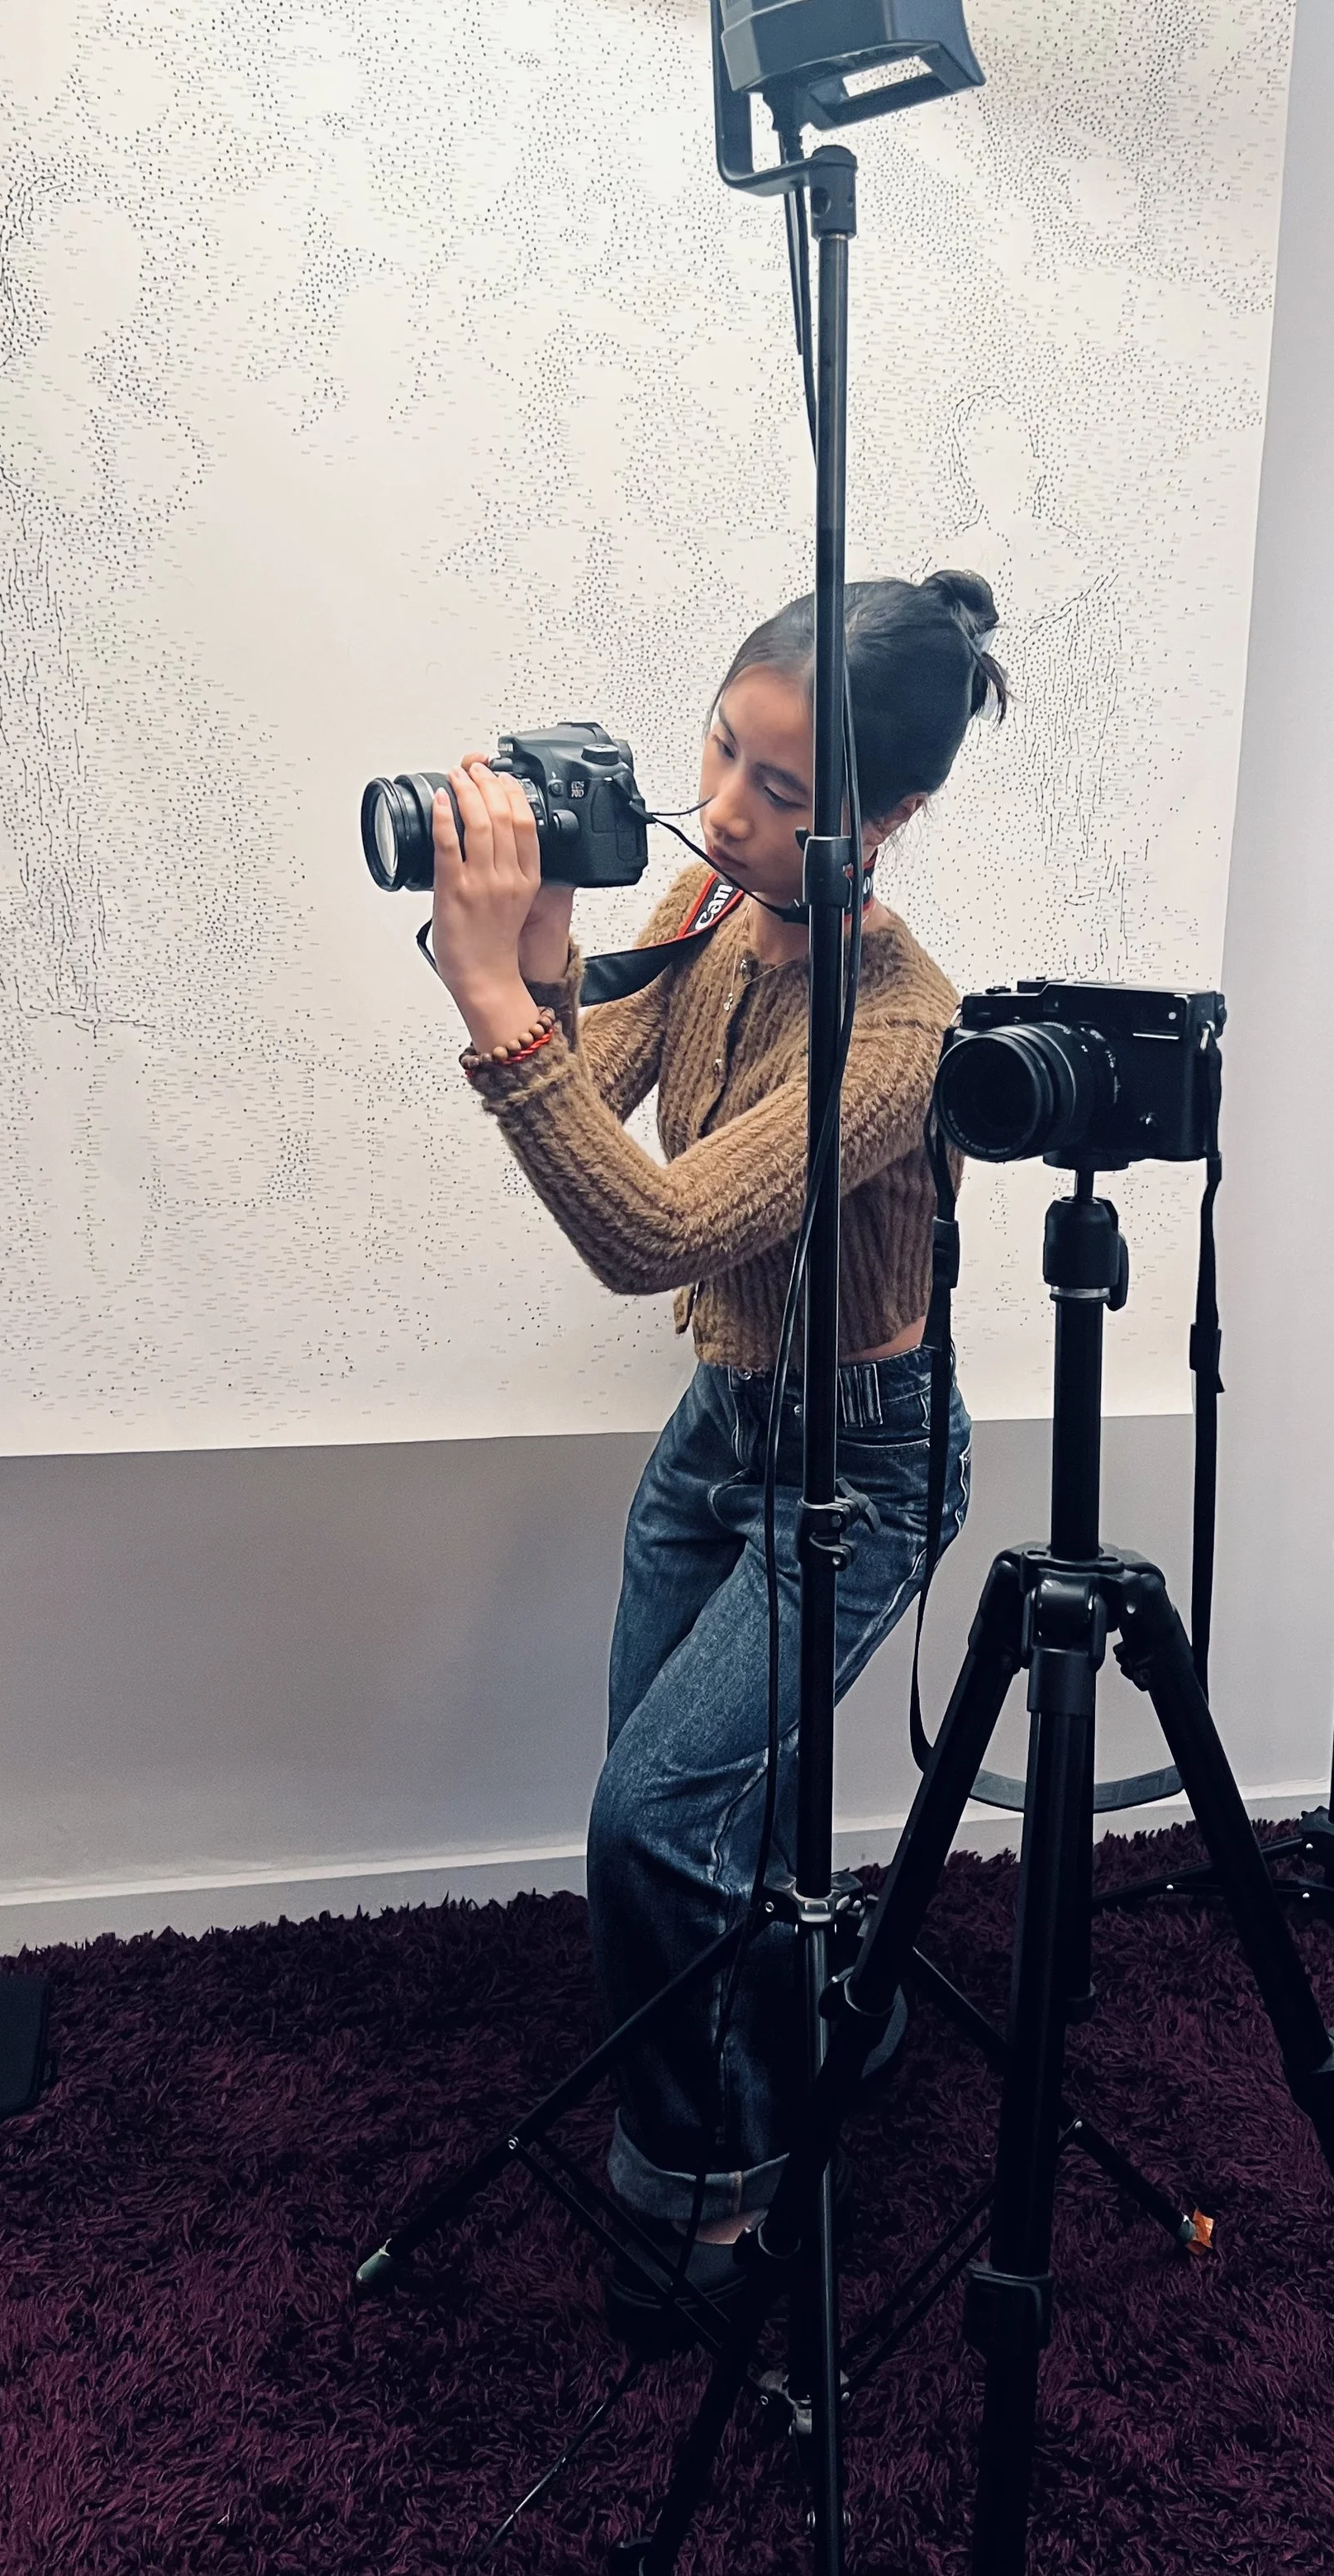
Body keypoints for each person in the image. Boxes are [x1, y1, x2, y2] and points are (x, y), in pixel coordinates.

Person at [426, 569, 1004, 2328]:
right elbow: (590, 1089)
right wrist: (539, 947)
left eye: (781, 790)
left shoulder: (900, 1030)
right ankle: (831, 2018)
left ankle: (713, 2188)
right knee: (684, 1814)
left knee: (649, 1823)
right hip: (720, 1429)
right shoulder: (703, 900)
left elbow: (653, 1230)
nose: (729, 809)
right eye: (723, 751)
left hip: (865, 1462)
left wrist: (488, 1000)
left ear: (889, 818)